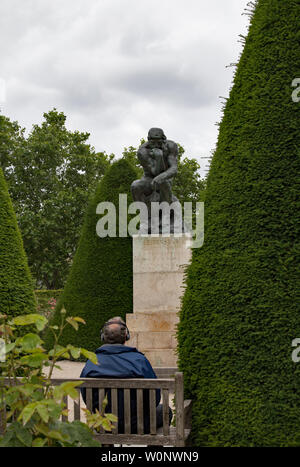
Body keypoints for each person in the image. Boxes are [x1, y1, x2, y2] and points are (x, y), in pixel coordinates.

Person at [80, 317, 172, 434]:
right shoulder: (139, 360)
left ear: (103, 337)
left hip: (103, 424)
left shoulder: (91, 362)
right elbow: (154, 398)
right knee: (166, 410)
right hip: (138, 424)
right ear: (126, 337)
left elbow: (86, 397)